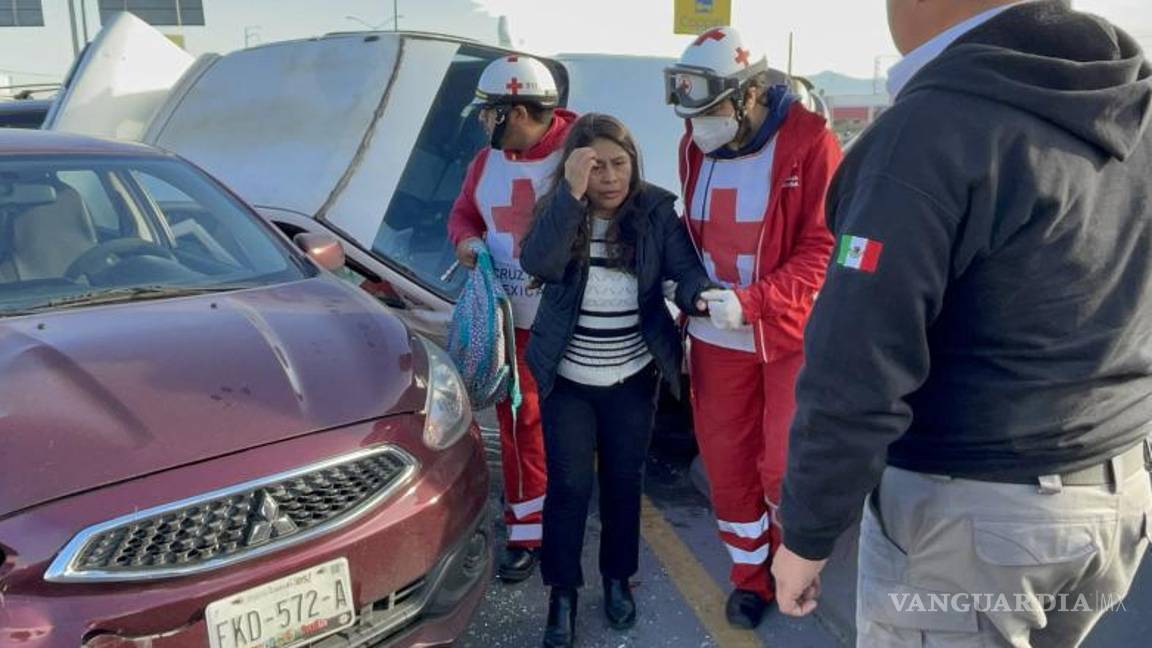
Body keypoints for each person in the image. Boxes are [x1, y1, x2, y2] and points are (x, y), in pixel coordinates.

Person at [772, 2, 1152, 646]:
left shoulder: (931, 128)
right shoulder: (1130, 101)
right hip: (1118, 495)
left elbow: (857, 360)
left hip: (973, 517)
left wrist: (807, 535)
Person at [663, 25, 842, 627]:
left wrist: (755, 302)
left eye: (711, 110)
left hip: (786, 336)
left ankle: (794, 567)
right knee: (728, 467)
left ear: (752, 93)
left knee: (782, 467)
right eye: (692, 114)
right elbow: (692, 230)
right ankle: (749, 578)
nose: (699, 125)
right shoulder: (694, 145)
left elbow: (824, 248)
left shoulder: (811, 144)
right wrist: (685, 283)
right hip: (714, 342)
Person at [520, 113, 713, 647]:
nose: (609, 177)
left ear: (634, 164)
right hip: (568, 379)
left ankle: (616, 578)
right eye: (595, 166)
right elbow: (540, 262)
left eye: (619, 164)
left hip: (631, 376)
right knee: (569, 487)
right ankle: (562, 593)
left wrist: (700, 296)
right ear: (575, 168)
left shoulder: (655, 210)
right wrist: (570, 195)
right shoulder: (561, 209)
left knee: (624, 484)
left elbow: (684, 269)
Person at [447, 55, 578, 582]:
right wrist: (466, 240)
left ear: (518, 112)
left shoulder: (579, 154)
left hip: (573, 323)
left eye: (490, 113)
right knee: (520, 427)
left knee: (574, 426)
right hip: (514, 323)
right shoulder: (486, 162)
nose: (483, 123)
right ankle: (526, 530)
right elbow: (464, 213)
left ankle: (567, 521)